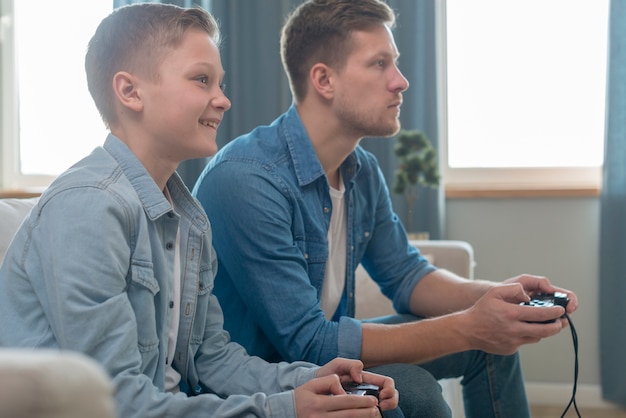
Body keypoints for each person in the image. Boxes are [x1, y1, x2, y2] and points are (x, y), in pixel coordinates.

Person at [0, 4, 399, 418]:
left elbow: (212, 359)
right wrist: (283, 409)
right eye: (202, 80)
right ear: (130, 91)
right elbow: (115, 402)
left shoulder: (189, 218)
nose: (223, 100)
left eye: (220, 83)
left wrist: (306, 380)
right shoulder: (88, 209)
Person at [192, 1, 579, 417]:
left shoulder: (361, 171)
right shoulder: (247, 179)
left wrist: (496, 298)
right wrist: (469, 325)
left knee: (491, 348)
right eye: (379, 64)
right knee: (416, 387)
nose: (401, 81)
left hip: (324, 359)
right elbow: (308, 342)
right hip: (267, 382)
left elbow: (407, 276)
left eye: (395, 63)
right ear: (324, 79)